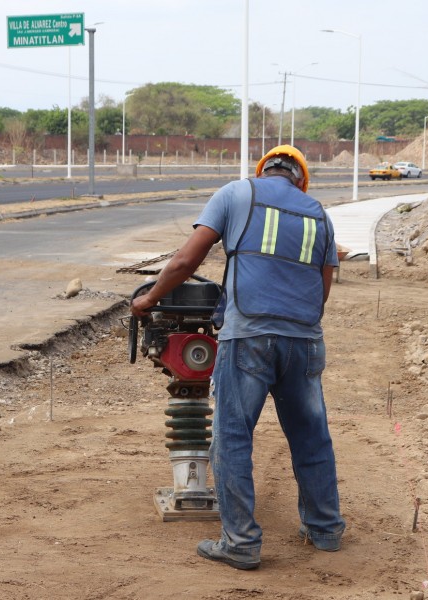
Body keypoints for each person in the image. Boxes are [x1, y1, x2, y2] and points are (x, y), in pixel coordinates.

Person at [130, 145, 345, 570]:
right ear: (300, 178)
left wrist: (149, 299)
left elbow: (188, 259)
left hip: (248, 335)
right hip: (304, 339)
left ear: (263, 169)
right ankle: (324, 530)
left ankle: (241, 542)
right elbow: (324, 284)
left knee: (232, 437)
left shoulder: (236, 193)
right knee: (311, 434)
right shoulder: (319, 213)